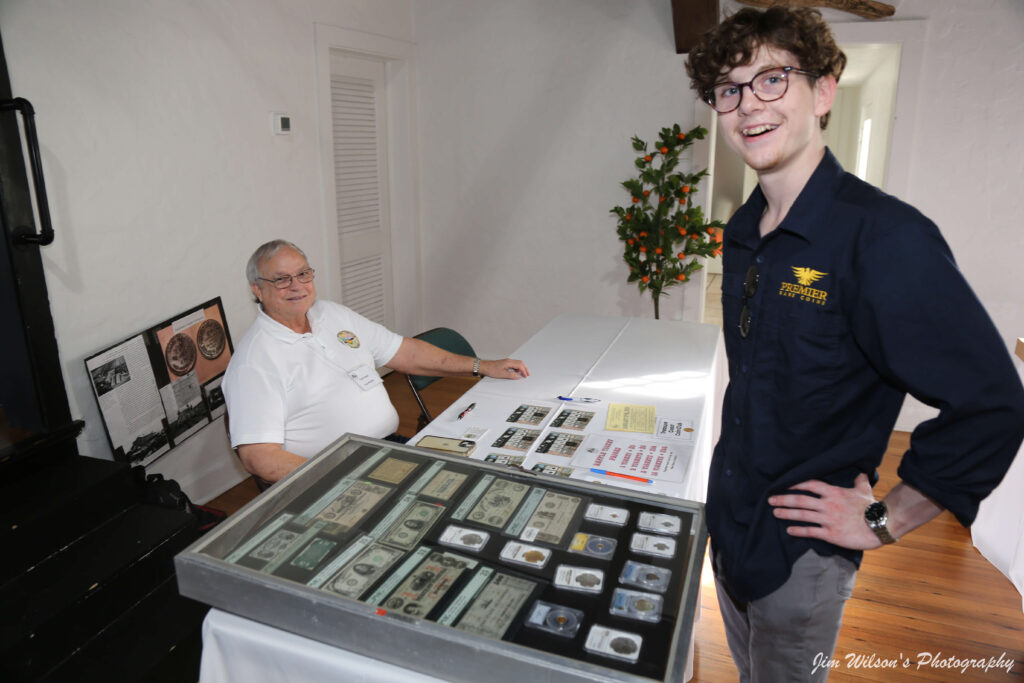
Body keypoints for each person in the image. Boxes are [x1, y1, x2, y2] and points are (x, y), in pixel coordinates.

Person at [685, 8, 1024, 681]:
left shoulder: (886, 238)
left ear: (823, 91)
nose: (748, 104)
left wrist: (883, 518)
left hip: (802, 552)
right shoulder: (744, 231)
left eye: (772, 79)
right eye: (729, 88)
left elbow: (993, 403)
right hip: (731, 521)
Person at [222, 239, 529, 483]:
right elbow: (259, 457)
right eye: (281, 279)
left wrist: (482, 366)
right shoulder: (254, 360)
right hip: (335, 474)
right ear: (257, 290)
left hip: (389, 448)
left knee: (491, 474)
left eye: (303, 274)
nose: (297, 285)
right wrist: (341, 479)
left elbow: (406, 353)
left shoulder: (330, 314)